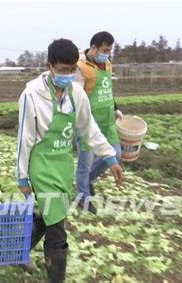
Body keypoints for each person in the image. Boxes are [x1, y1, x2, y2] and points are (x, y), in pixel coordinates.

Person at [16, 38, 123, 282]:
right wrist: (22, 176)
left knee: (46, 216)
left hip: (63, 166)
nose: (68, 75)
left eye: (72, 69)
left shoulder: (76, 93)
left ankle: (18, 251)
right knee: (57, 230)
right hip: (41, 166)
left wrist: (110, 157)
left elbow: (89, 129)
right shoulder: (32, 95)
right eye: (63, 70)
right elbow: (24, 139)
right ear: (49, 66)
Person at [75, 31, 123, 214]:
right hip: (88, 122)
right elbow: (76, 97)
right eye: (104, 50)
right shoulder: (81, 68)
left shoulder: (107, 64)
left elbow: (107, 89)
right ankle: (83, 199)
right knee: (85, 163)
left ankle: (86, 181)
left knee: (115, 153)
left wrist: (115, 107)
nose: (107, 54)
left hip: (107, 120)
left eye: (110, 50)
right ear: (94, 48)